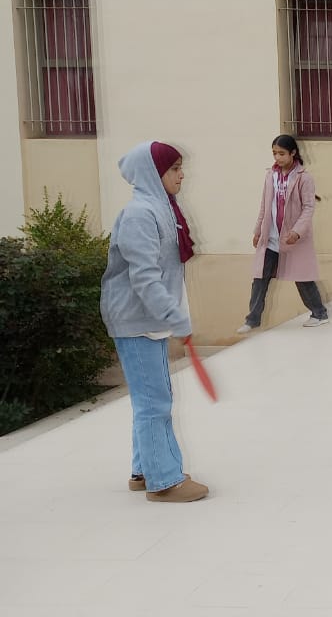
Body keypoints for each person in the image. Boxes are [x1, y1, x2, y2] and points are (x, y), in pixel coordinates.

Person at [100, 141, 209, 502]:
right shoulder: (140, 215)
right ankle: (163, 482)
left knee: (150, 397)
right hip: (135, 320)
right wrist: (175, 316)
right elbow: (144, 277)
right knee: (154, 401)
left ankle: (144, 470)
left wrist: (173, 315)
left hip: (147, 320)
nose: (182, 174)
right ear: (152, 173)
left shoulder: (161, 208)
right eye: (174, 168)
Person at [236, 135, 328, 333]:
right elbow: (264, 205)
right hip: (271, 237)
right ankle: (252, 319)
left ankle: (319, 313)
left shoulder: (304, 178)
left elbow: (308, 208)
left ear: (292, 153)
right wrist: (258, 231)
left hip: (293, 239)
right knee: (260, 278)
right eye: (274, 153)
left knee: (302, 277)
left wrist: (296, 232)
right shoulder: (271, 176)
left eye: (281, 153)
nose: (277, 157)